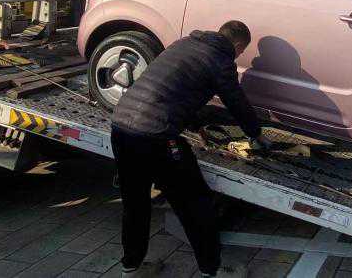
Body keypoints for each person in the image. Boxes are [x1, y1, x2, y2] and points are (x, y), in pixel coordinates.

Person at [110, 21, 270, 278]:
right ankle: (212, 271)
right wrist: (255, 134)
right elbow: (236, 102)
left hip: (121, 127)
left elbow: (173, 90)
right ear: (238, 44)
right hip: (157, 137)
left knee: (135, 204)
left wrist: (196, 127)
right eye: (242, 51)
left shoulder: (184, 44)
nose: (239, 55)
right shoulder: (220, 60)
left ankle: (131, 269)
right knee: (195, 205)